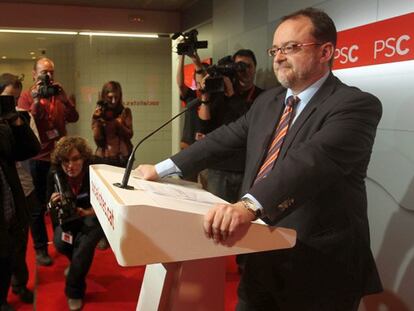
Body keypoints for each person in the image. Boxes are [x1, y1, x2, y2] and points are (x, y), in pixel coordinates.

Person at [136, 7, 383, 310]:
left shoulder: (355, 105)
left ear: (325, 51)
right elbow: (223, 139)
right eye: (276, 49)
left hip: (320, 265)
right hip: (261, 254)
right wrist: (161, 169)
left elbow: (310, 162)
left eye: (291, 47)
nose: (278, 56)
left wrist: (248, 206)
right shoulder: (269, 101)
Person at [18, 57, 79, 266]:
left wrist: (64, 99)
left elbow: (74, 117)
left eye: (51, 71)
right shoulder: (26, 96)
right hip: (37, 158)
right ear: (35, 74)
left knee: (60, 201)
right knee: (37, 207)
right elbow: (27, 124)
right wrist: (35, 100)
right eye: (44, 72)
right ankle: (41, 248)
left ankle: (63, 242)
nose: (48, 76)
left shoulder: (58, 95)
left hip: (58, 157)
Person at [198, 49, 263, 203]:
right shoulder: (220, 94)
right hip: (219, 168)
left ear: (255, 68)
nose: (244, 71)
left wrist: (232, 95)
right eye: (240, 67)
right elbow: (204, 126)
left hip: (247, 169)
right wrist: (205, 97)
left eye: (248, 66)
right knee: (217, 215)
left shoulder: (263, 97)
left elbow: (251, 122)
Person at [47, 136, 104, 311]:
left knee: (83, 249)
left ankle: (74, 291)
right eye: (65, 160)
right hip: (68, 218)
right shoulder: (54, 175)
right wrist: (52, 203)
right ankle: (77, 267)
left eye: (75, 159)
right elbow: (47, 205)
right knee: (61, 243)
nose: (70, 166)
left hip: (92, 215)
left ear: (84, 158)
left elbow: (105, 203)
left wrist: (88, 212)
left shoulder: (95, 171)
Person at [0, 73, 38, 305]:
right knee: (2, 255)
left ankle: (19, 286)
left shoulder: (10, 121)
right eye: (5, 99)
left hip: (14, 198)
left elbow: (31, 149)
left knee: (18, 247)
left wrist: (14, 120)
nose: (9, 103)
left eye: (13, 100)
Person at [176, 50, 209, 183]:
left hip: (205, 149)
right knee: (187, 186)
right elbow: (180, 83)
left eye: (202, 74)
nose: (199, 78)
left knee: (206, 187)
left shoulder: (214, 99)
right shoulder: (191, 95)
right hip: (188, 147)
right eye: (197, 74)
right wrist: (181, 57)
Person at [92, 81, 133, 168]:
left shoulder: (125, 112)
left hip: (122, 156)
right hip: (104, 157)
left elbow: (129, 134)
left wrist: (117, 123)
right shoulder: (99, 113)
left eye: (116, 97)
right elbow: (98, 141)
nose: (114, 101)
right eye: (110, 97)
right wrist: (97, 121)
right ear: (104, 96)